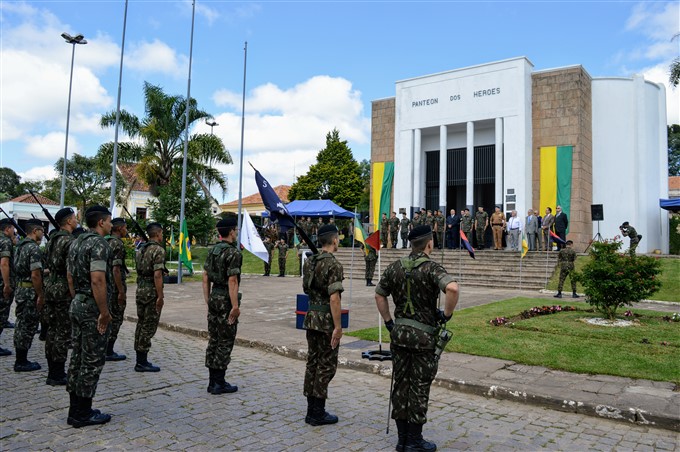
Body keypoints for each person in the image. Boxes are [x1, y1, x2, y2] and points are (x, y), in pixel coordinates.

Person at [374, 225, 459, 451]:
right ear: (429, 244)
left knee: (401, 384)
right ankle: (414, 440)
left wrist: (389, 322)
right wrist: (446, 315)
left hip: (400, 335)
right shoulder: (431, 268)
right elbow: (452, 289)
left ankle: (402, 439)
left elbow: (379, 294)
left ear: (412, 244)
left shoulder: (395, 268)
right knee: (419, 385)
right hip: (423, 338)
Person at [65, 205, 113, 428]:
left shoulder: (77, 242)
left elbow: (70, 275)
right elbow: (98, 279)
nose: (111, 225)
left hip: (78, 304)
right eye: (109, 221)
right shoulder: (98, 244)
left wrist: (78, 299)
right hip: (92, 307)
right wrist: (103, 312)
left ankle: (75, 409)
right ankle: (83, 414)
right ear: (101, 222)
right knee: (92, 359)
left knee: (78, 358)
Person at [301, 224, 344, 426]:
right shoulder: (334, 265)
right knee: (326, 365)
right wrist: (338, 326)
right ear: (334, 240)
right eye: (338, 238)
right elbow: (334, 298)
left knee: (313, 362)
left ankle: (312, 409)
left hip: (311, 316)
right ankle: (318, 412)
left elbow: (306, 288)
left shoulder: (310, 262)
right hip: (326, 319)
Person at [202, 217, 241, 395]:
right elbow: (232, 280)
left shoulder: (213, 251)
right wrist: (235, 306)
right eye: (235, 229)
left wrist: (207, 298)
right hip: (226, 298)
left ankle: (212, 381)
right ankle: (219, 382)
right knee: (225, 340)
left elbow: (205, 276)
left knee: (214, 338)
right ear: (231, 231)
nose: (236, 232)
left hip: (214, 296)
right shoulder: (233, 253)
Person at [43, 207, 77, 385]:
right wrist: (73, 293)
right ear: (69, 221)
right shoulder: (69, 241)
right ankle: (57, 373)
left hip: (50, 286)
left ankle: (52, 370)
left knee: (52, 329)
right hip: (63, 288)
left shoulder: (52, 239)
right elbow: (70, 272)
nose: (76, 220)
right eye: (74, 218)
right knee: (63, 331)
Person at [13, 218, 45, 372]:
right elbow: (35, 275)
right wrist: (40, 295)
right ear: (35, 231)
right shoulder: (33, 248)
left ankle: (20, 358)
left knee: (21, 324)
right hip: (30, 291)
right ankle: (21, 361)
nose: (43, 233)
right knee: (28, 326)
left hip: (20, 289)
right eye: (42, 230)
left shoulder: (20, 246)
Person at [134, 222, 165, 372]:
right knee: (149, 324)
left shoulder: (140, 249)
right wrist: (160, 296)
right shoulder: (158, 250)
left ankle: (139, 357)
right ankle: (142, 361)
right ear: (158, 233)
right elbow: (157, 274)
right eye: (161, 233)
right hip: (151, 290)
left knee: (141, 323)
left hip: (140, 289)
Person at [105, 218, 129, 362]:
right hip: (114, 287)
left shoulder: (104, 241)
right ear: (119, 229)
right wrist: (120, 291)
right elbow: (116, 269)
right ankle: (109, 350)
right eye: (125, 228)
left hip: (106, 286)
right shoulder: (117, 243)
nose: (127, 231)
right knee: (116, 318)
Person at [0, 218, 17, 356]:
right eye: (13, 228)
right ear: (7, 229)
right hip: (2, 282)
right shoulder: (5, 242)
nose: (14, 231)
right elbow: (4, 263)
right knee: (1, 314)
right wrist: (7, 284)